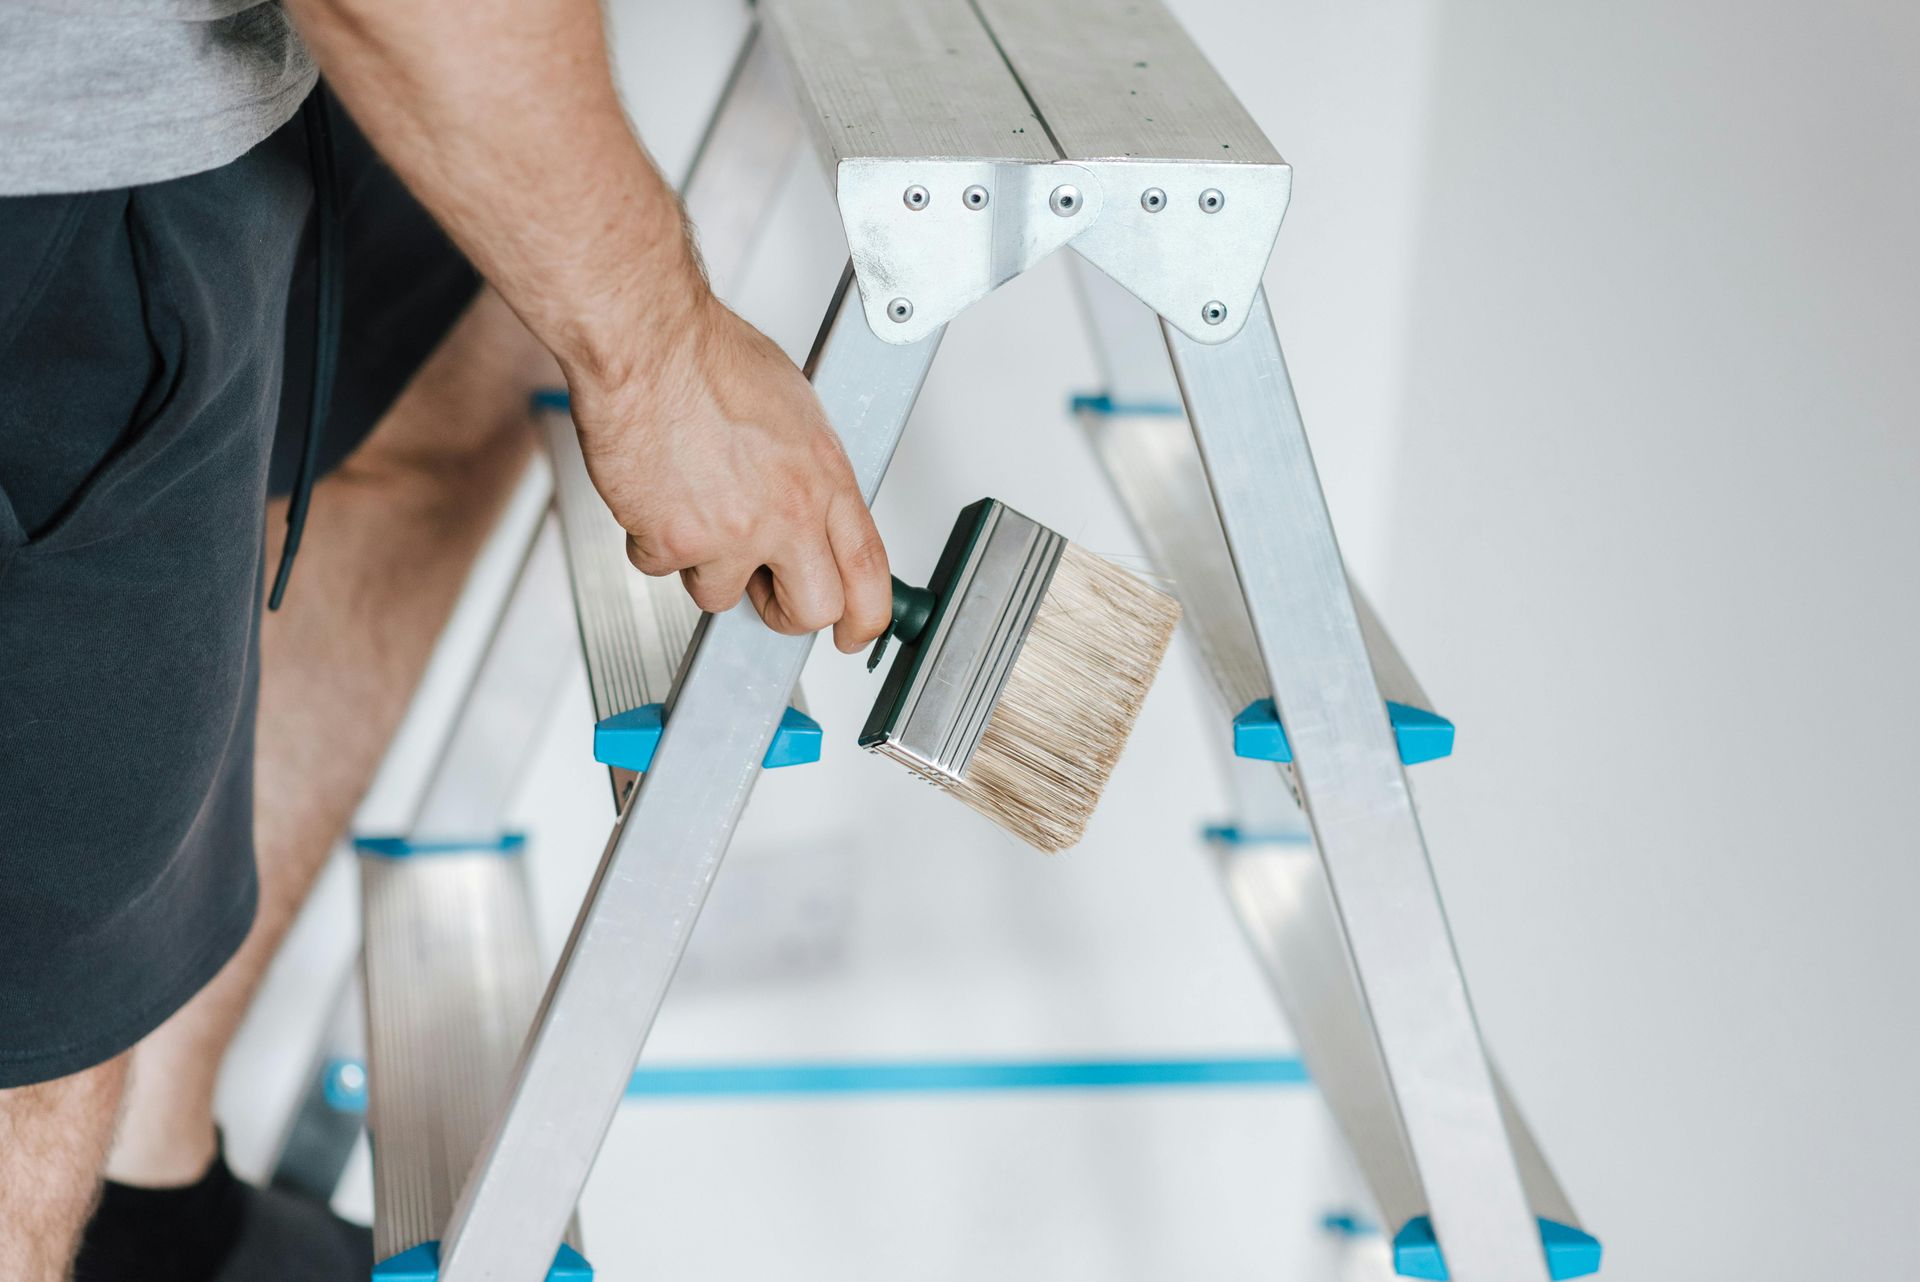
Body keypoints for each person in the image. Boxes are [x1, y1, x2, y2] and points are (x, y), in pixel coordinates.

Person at [0, 0, 893, 1277]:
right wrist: (660, 360)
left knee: (451, 352)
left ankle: (137, 1203)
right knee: (24, 1038)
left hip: (224, 76)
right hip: (48, 167)